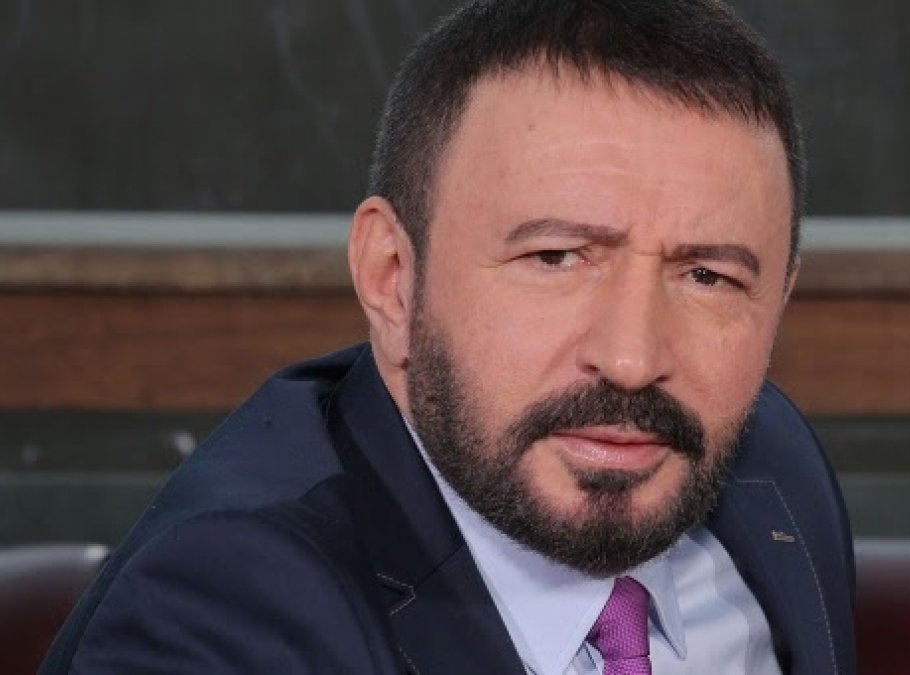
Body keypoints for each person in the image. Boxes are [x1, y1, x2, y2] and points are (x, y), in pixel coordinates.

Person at [41, 0, 855, 672]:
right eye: (556, 257)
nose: (633, 359)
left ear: (779, 297)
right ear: (393, 276)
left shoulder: (771, 463)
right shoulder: (222, 614)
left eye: (708, 276)